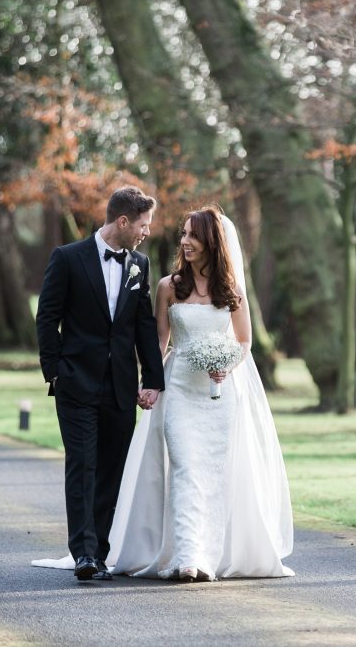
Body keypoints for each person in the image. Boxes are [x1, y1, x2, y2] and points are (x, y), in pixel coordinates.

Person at [107, 207, 294, 581]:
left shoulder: (231, 291)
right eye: (184, 234)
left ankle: (207, 557)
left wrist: (227, 364)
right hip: (179, 391)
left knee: (211, 474)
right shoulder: (168, 287)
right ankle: (187, 557)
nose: (185, 242)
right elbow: (160, 341)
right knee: (186, 468)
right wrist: (150, 383)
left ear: (212, 242)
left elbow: (243, 342)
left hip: (218, 396)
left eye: (193, 235)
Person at [35, 186, 165, 582]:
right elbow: (47, 317)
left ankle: (101, 552)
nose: (146, 232)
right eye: (143, 225)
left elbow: (144, 325)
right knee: (83, 466)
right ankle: (84, 554)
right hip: (76, 383)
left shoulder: (140, 264)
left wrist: (153, 380)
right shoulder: (68, 258)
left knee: (112, 470)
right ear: (123, 221)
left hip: (121, 387)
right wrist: (55, 370)